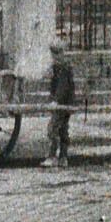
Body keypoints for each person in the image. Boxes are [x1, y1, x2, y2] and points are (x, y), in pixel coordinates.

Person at [41, 38, 75, 168]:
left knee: (53, 128)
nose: (54, 57)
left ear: (61, 53)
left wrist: (55, 100)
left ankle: (52, 156)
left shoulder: (63, 68)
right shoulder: (58, 67)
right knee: (63, 129)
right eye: (53, 54)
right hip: (65, 102)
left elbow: (62, 87)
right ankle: (63, 157)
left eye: (56, 54)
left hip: (63, 103)